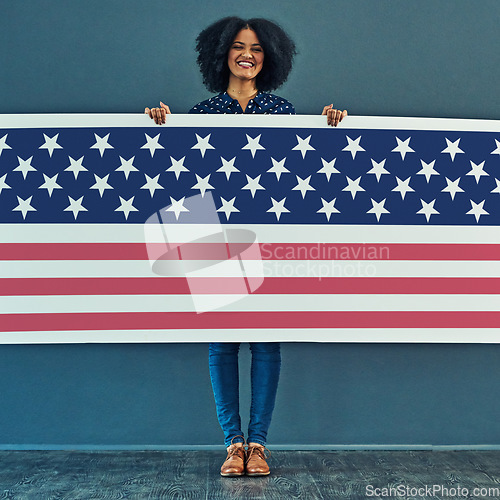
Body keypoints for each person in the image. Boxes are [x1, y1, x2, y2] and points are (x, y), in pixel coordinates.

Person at [145, 16, 347, 477]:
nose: (248, 55)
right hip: (215, 237)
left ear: (269, 57)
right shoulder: (201, 114)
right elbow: (179, 172)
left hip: (269, 241)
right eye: (239, 46)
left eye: (256, 49)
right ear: (222, 55)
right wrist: (160, 126)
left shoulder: (282, 111)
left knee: (266, 344)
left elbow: (305, 168)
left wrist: (332, 129)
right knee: (222, 344)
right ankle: (232, 444)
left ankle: (259, 444)